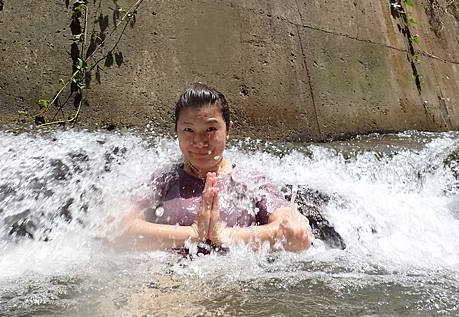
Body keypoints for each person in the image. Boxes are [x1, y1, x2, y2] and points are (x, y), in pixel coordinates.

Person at [117, 82, 313, 252]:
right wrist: (192, 234)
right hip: (164, 277)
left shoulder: (251, 181)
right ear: (176, 131)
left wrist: (224, 235)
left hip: (231, 286)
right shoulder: (163, 180)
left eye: (211, 129)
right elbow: (118, 230)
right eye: (188, 130)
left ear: (228, 130)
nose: (200, 141)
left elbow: (295, 234)